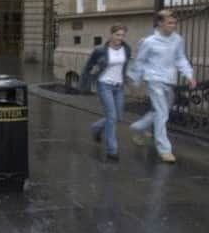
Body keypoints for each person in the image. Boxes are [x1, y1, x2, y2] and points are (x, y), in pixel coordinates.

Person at [128, 10, 197, 163]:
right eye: (169, 23)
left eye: (174, 23)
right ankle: (164, 149)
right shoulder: (149, 42)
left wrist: (189, 75)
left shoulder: (178, 39)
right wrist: (136, 80)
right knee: (162, 113)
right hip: (154, 79)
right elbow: (140, 61)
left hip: (169, 80)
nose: (173, 26)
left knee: (159, 112)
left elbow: (180, 59)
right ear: (160, 23)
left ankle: (137, 127)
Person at [81, 23, 131, 161]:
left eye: (122, 35)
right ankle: (112, 151)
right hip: (104, 85)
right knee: (111, 116)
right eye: (117, 35)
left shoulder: (126, 49)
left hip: (119, 86)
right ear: (111, 34)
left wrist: (127, 79)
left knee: (118, 117)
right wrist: (84, 83)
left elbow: (125, 66)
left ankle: (96, 128)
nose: (119, 38)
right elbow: (88, 66)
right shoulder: (100, 50)